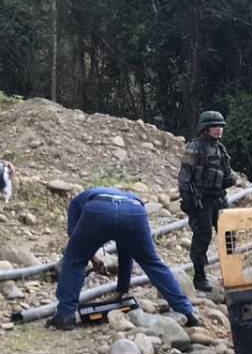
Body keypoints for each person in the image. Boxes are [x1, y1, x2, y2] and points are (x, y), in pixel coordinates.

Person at [47, 187, 200, 330]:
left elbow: (76, 244)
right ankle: (187, 311)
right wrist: (122, 289)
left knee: (74, 261)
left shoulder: (76, 203)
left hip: (98, 210)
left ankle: (65, 315)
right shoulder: (128, 196)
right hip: (134, 211)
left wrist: (91, 258)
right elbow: (126, 250)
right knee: (153, 264)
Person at [180, 110, 235, 292]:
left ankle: (230, 273)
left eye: (221, 126)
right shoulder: (195, 147)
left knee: (229, 234)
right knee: (203, 237)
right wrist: (187, 199)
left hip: (218, 198)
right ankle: (199, 277)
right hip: (201, 200)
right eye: (215, 126)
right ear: (205, 128)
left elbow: (227, 171)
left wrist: (231, 178)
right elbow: (185, 175)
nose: (219, 129)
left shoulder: (220, 149)